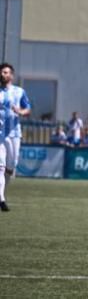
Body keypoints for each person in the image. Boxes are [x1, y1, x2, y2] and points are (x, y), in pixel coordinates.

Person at [0, 63, 30, 212]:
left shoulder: (20, 92)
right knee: (0, 167)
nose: (3, 74)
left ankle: (2, 194)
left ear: (11, 75)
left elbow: (28, 109)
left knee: (11, 166)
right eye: (2, 72)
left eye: (6, 72)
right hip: (0, 135)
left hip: (15, 134)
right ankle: (1, 199)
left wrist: (20, 111)